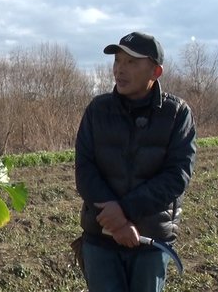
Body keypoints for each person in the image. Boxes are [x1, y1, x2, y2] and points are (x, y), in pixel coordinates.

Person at [74, 31, 197, 292]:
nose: (120, 69)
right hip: (101, 238)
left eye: (132, 62)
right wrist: (116, 223)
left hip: (149, 241)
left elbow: (177, 175)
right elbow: (85, 170)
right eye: (117, 61)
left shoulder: (177, 114)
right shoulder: (98, 110)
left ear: (155, 72)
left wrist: (125, 212)